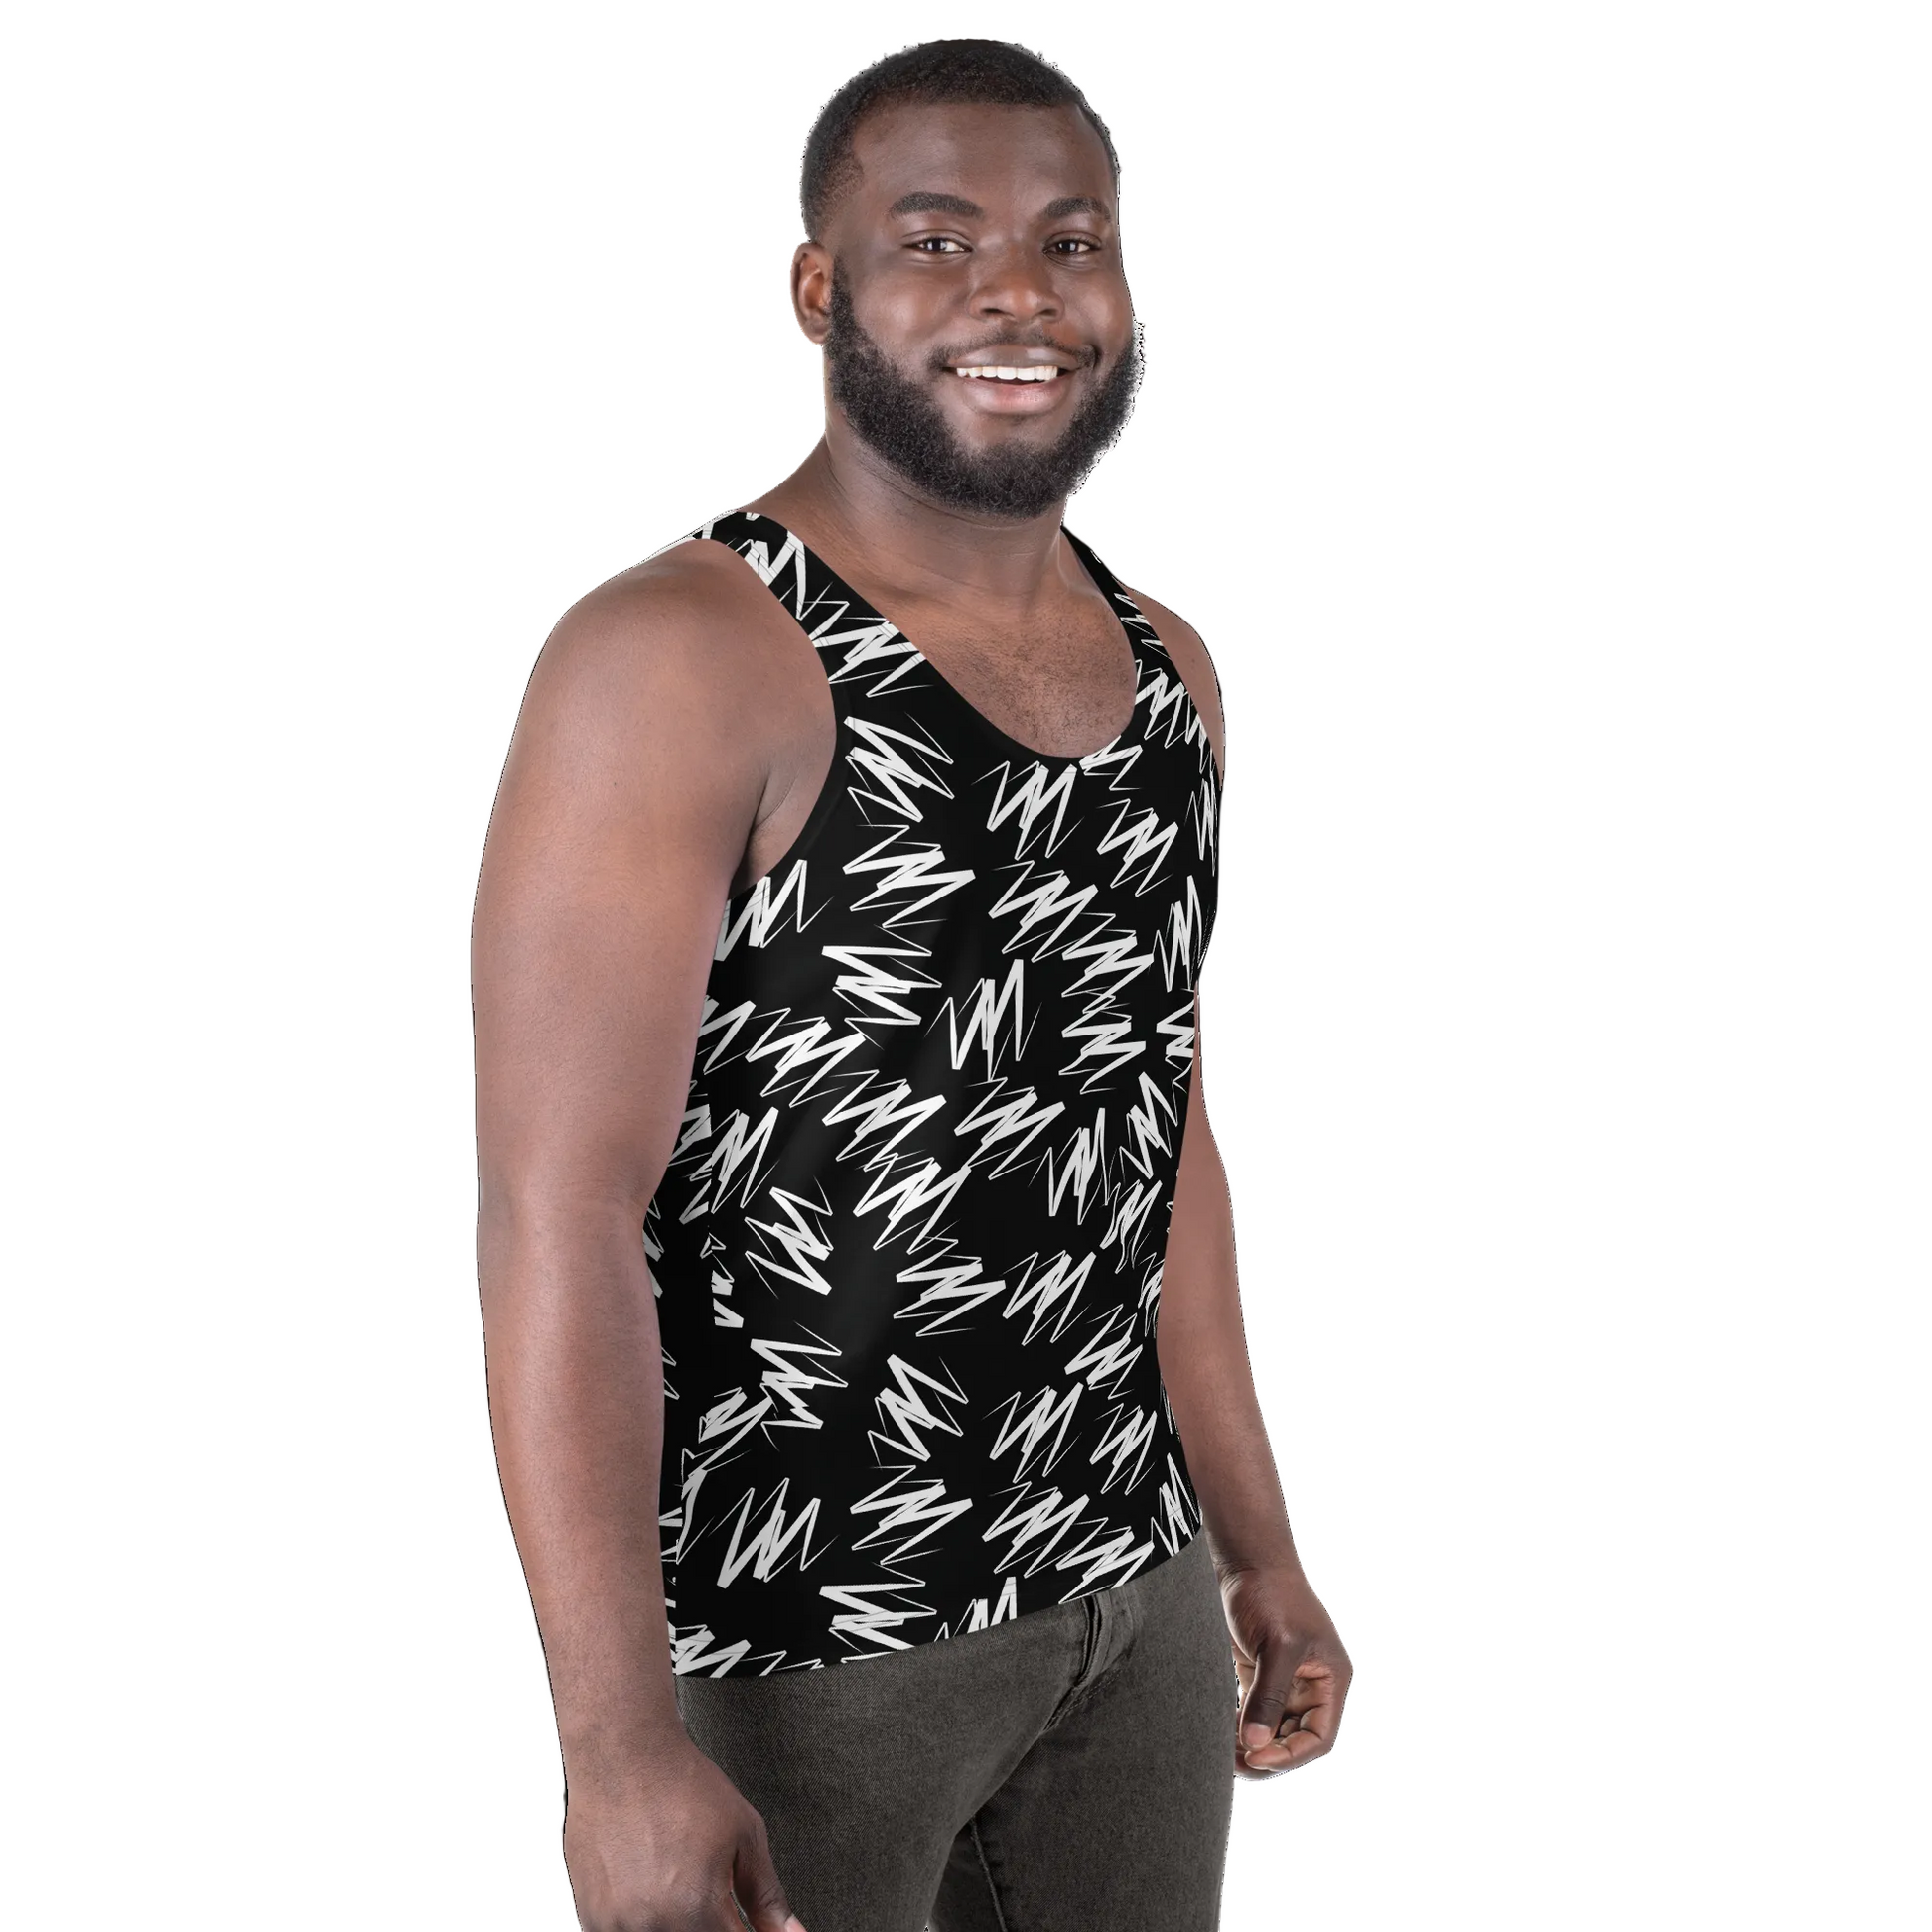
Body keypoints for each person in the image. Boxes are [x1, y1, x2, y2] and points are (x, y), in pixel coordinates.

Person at [472, 38, 1351, 1932]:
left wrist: (1253, 1542)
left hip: (1128, 1597)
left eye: (1068, 242)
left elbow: (1156, 1126)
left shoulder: (1169, 669)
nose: (1016, 293)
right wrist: (614, 1748)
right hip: (809, 1642)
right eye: (937, 241)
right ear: (821, 288)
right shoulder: (680, 655)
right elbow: (560, 1211)